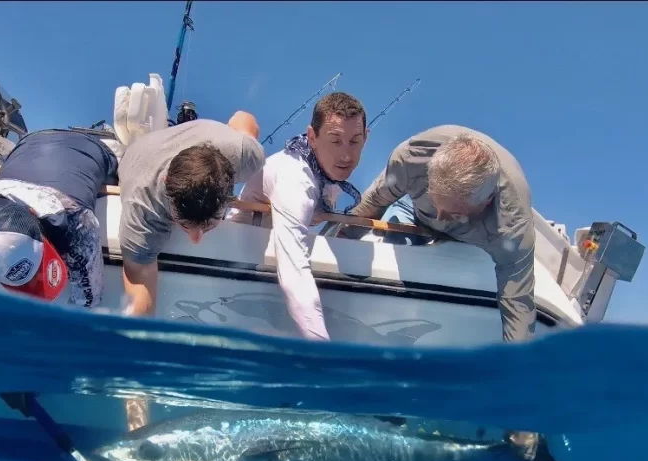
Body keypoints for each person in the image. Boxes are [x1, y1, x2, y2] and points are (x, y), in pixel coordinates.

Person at [343, 125, 537, 343]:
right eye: (436, 202)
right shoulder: (410, 159)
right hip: (411, 211)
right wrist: (339, 240)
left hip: (473, 238)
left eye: (453, 213)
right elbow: (372, 203)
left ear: (487, 201)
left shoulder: (513, 228)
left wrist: (516, 360)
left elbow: (518, 305)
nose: (439, 216)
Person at [232, 92, 369, 341]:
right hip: (232, 258)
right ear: (312, 137)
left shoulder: (328, 173)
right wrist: (320, 346)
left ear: (366, 138)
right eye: (335, 141)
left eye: (354, 141)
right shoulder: (296, 180)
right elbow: (293, 272)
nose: (346, 156)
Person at [0, 126, 121, 308]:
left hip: (96, 145)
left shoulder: (77, 221)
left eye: (38, 265)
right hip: (31, 140)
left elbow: (87, 301)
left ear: (34, 215)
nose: (37, 280)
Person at [116, 111, 265, 317]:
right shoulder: (142, 205)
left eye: (209, 225)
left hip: (210, 137)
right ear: (166, 183)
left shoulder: (244, 155)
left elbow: (242, 117)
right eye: (184, 223)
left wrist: (233, 129)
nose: (196, 239)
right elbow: (138, 276)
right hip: (138, 155)